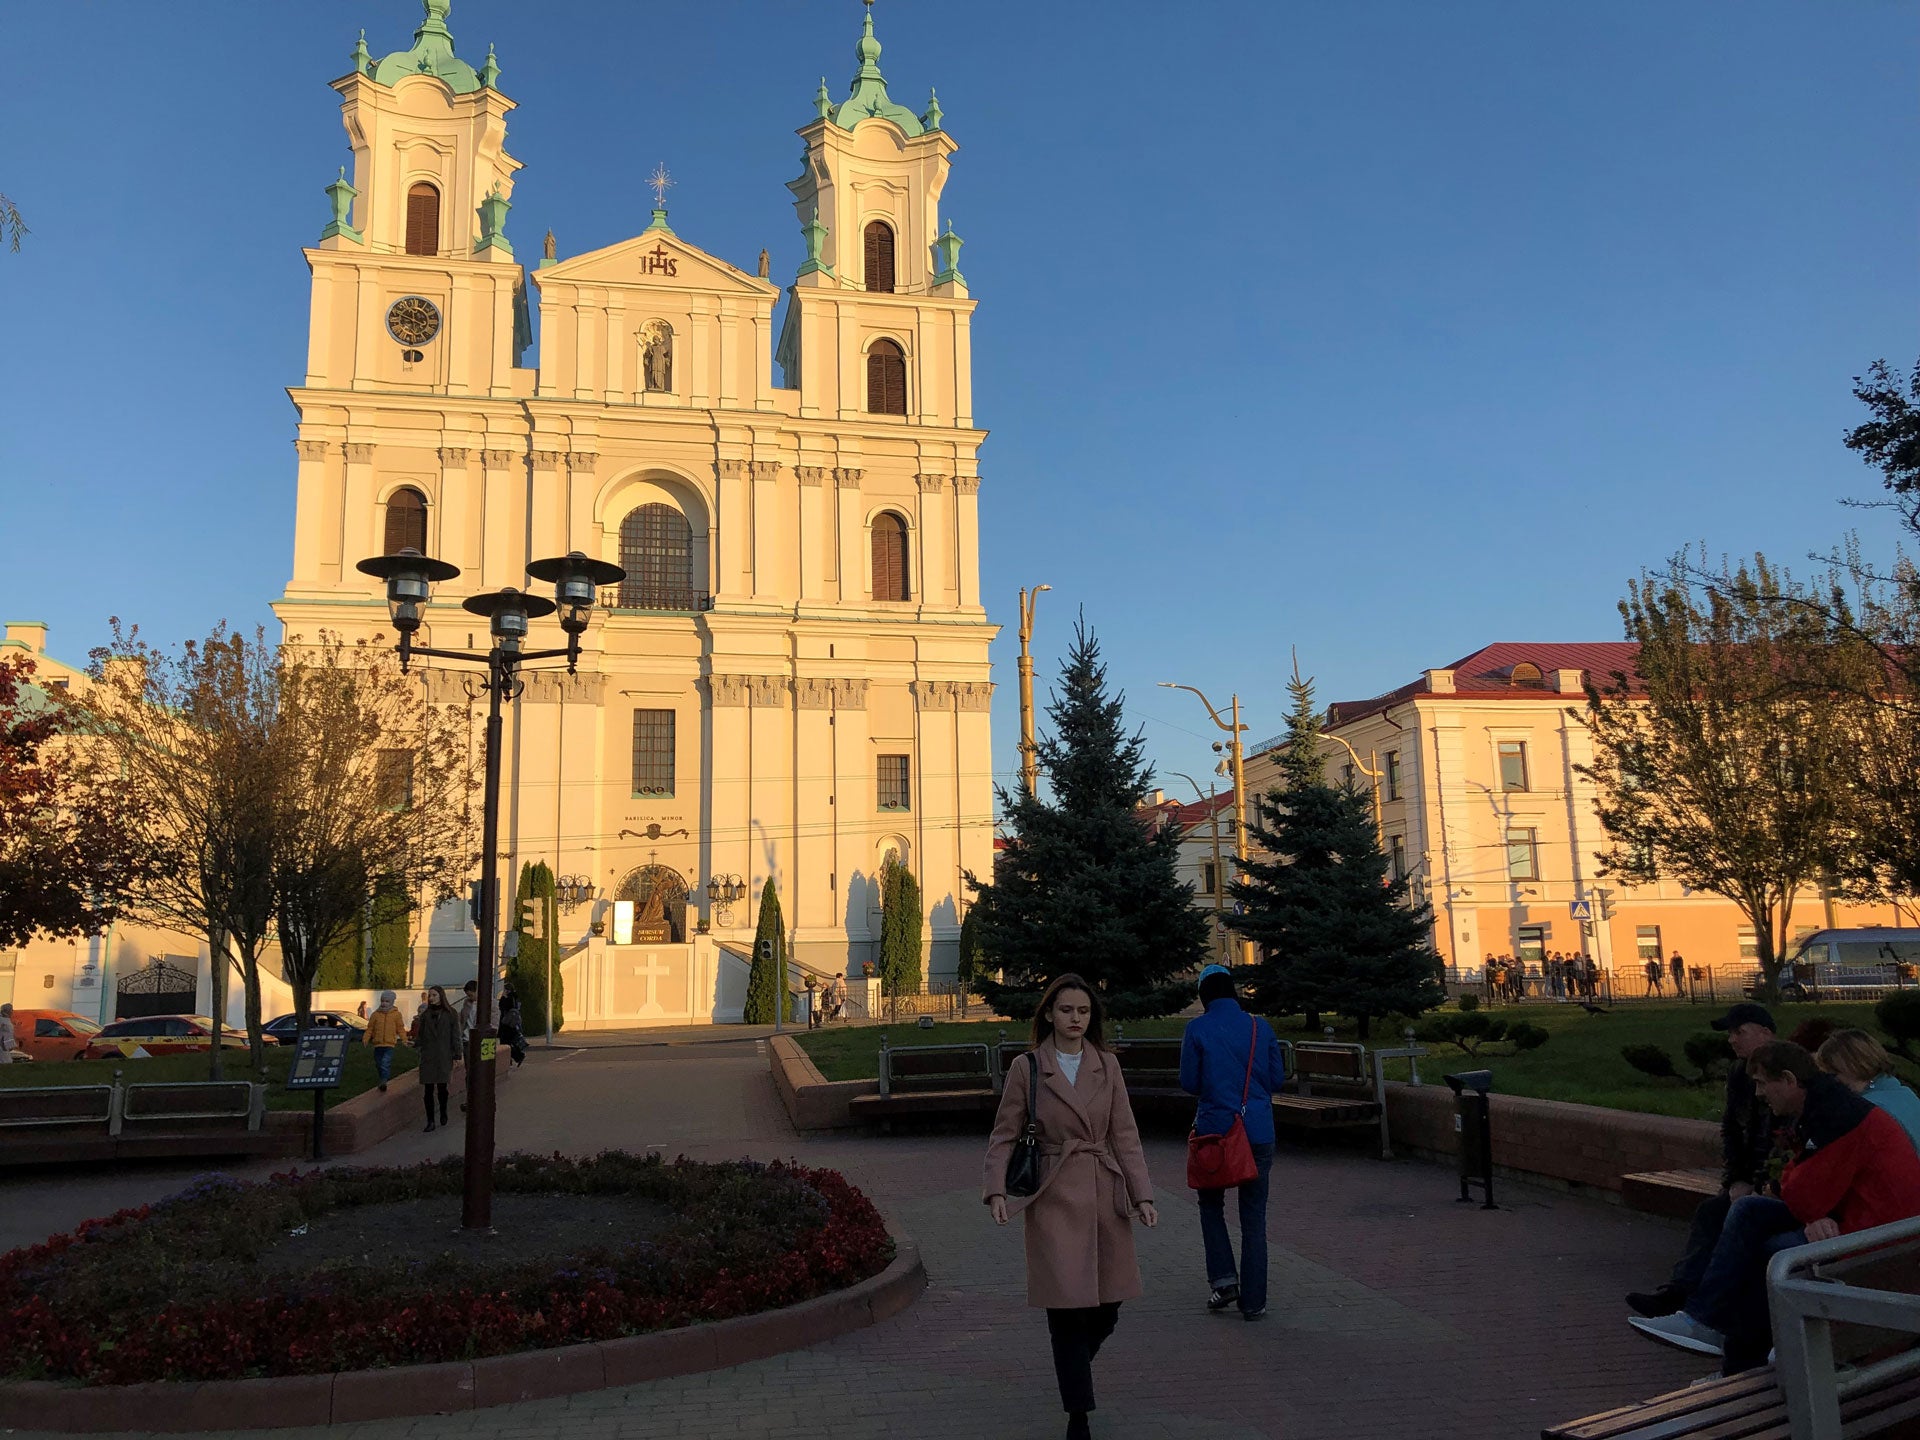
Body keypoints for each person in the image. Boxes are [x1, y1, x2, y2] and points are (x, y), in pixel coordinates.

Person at [1629, 1040, 1920, 1371]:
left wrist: (1797, 1198)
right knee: (1747, 1211)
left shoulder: (1838, 1116)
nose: (1758, 1094)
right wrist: (1791, 1194)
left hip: (1877, 1236)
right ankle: (1703, 1322)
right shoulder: (1825, 1108)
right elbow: (1800, 1177)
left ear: (1789, 1080)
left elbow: (1805, 1195)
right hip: (1857, 1220)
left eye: (1762, 1083)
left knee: (1774, 1251)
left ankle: (1735, 1355)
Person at [984, 975, 1157, 1440]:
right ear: (1048, 1015)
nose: (1075, 1019)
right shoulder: (1028, 1068)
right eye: (1066, 1011)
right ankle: (1077, 1414)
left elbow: (1125, 1134)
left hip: (1105, 1194)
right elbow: (1004, 1133)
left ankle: (1075, 1365)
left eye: (1083, 1012)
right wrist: (996, 1190)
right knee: (1065, 1309)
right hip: (1054, 1197)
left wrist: (1142, 1194)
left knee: (1109, 1304)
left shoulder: (1107, 1066)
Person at [1626, 1002, 1779, 1317]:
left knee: (1728, 1215)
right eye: (1730, 1034)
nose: (1731, 1040)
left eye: (1739, 1032)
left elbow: (1781, 1140)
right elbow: (1732, 1132)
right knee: (1711, 1212)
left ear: (1766, 1033)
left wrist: (1759, 1184)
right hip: (1749, 1180)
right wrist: (1737, 1179)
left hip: (1775, 1183)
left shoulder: (1785, 1073)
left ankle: (1703, 1307)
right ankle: (1680, 1291)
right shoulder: (1739, 1073)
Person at [1179, 964, 1287, 1319]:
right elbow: (1275, 1078)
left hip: (1216, 1134)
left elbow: (1190, 1082)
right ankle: (1255, 1301)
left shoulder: (1196, 1029)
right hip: (1257, 1133)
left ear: (1204, 995)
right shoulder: (1261, 1026)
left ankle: (1224, 1282)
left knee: (1211, 1206)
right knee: (1254, 1218)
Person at [1818, 1029, 1920, 1151]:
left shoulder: (1867, 1109)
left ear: (1856, 1065)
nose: (1831, 1081)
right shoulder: (1904, 1093)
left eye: (1834, 1073)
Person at [415, 986, 460, 1133]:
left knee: (442, 1088)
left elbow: (455, 1035)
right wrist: (416, 1045)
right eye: (429, 995)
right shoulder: (426, 1015)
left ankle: (443, 1112)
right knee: (428, 1089)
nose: (431, 998)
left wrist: (457, 1054)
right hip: (428, 1056)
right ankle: (430, 1120)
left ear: (441, 996)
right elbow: (420, 1035)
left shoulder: (450, 1014)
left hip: (443, 1055)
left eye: (434, 995)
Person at [363, 990, 407, 1092]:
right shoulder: (375, 1015)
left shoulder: (396, 1015)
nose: (384, 1003)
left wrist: (404, 1039)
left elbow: (400, 1028)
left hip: (389, 1044)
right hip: (378, 1044)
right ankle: (382, 1077)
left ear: (392, 1002)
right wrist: (366, 1038)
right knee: (378, 1063)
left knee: (385, 1062)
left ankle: (384, 1080)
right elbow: (370, 1028)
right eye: (382, 1001)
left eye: (387, 1001)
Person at [498, 985, 527, 1068]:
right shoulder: (515, 998)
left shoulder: (508, 998)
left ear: (507, 990)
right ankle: (514, 1057)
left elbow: (502, 1006)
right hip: (512, 1024)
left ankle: (516, 1057)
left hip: (507, 1024)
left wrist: (503, 997)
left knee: (505, 1043)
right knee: (510, 1042)